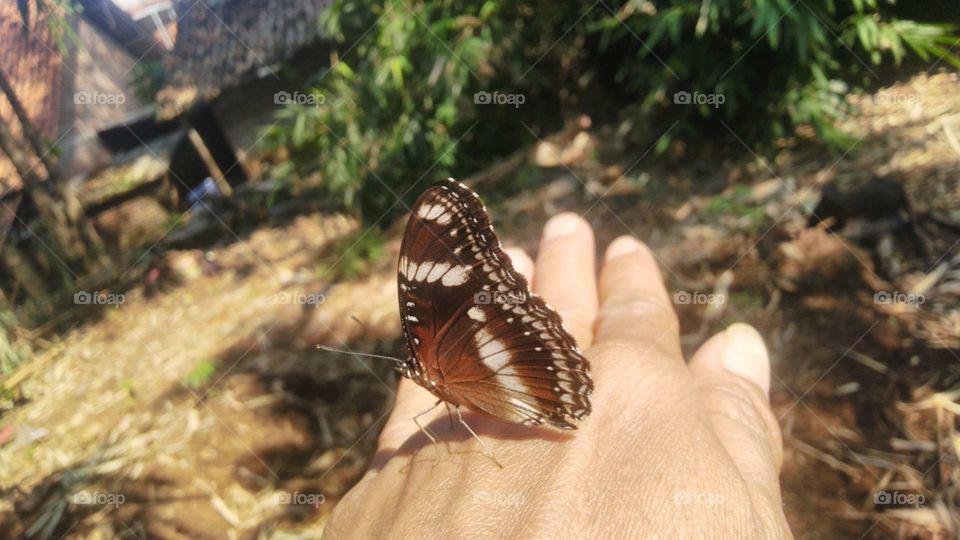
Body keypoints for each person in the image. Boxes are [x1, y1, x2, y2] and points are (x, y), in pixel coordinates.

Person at [324, 213, 792, 538]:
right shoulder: (437, 372)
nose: (413, 374)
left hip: (516, 363)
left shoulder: (437, 354)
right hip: (514, 377)